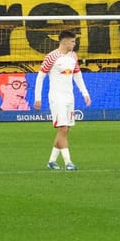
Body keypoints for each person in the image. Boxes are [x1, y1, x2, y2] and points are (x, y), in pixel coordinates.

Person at [33, 30, 89, 169]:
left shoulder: (73, 56)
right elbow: (40, 77)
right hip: (57, 97)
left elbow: (77, 75)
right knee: (63, 128)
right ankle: (68, 162)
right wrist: (37, 98)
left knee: (65, 129)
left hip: (70, 97)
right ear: (64, 41)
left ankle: (51, 161)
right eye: (72, 41)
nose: (74, 44)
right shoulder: (51, 57)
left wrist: (85, 93)